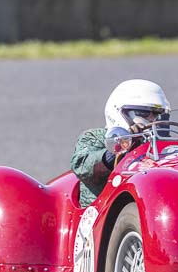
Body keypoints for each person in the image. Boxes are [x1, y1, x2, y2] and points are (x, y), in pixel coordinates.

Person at [71, 79, 170, 207]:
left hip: (152, 205)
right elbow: (83, 167)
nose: (152, 119)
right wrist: (122, 144)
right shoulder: (95, 137)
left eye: (157, 115)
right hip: (102, 211)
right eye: (144, 113)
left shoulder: (163, 147)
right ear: (118, 111)